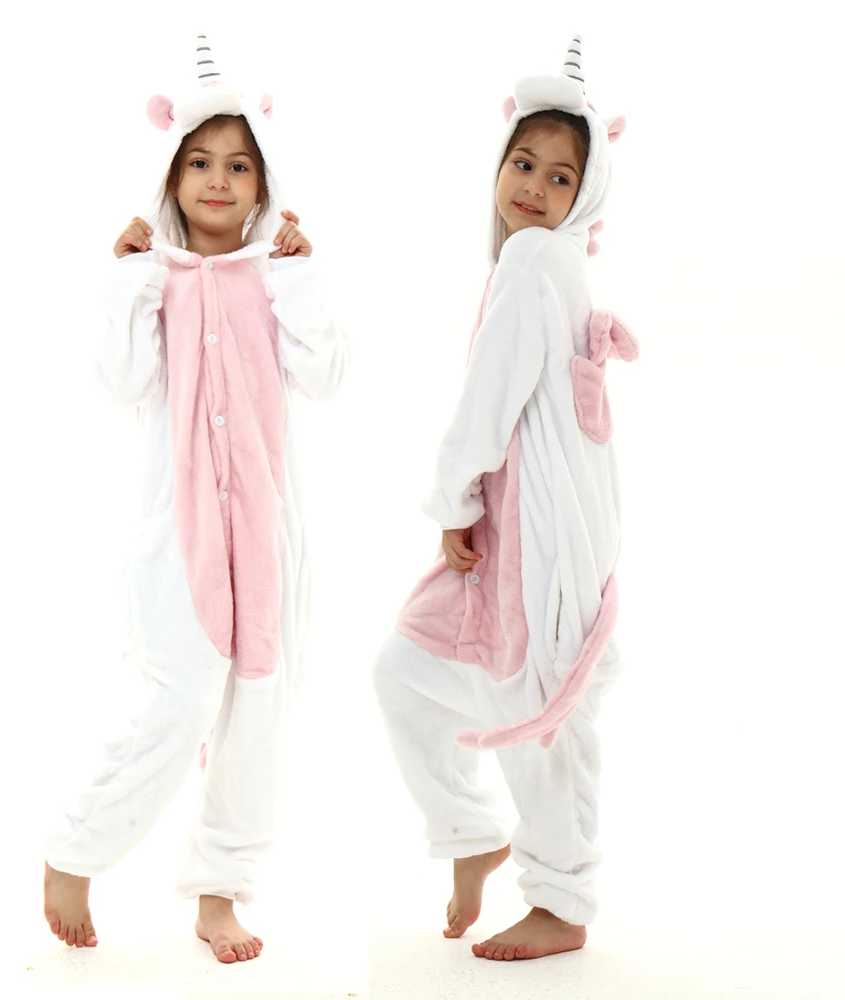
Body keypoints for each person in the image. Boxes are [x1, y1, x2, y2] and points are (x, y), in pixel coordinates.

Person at [41, 34, 350, 963]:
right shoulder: (152, 281)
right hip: (176, 537)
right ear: (171, 179)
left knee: (259, 711)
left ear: (264, 184)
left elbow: (328, 379)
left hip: (266, 536)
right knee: (177, 703)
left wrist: (299, 277)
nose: (219, 179)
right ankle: (75, 848)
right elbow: (118, 384)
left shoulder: (278, 278)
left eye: (239, 165)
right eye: (200, 162)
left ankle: (221, 892)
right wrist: (128, 283)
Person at [373, 34, 637, 962]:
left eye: (560, 177)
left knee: (545, 712)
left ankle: (561, 899)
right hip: (525, 529)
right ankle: (469, 833)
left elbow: (489, 400)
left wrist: (453, 500)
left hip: (543, 540)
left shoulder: (533, 264)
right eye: (523, 163)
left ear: (584, 196)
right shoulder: (542, 263)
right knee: (405, 671)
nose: (533, 186)